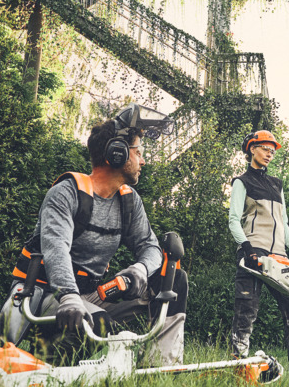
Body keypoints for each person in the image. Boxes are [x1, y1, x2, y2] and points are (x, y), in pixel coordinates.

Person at [37, 109, 183, 366]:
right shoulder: (66, 193)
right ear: (118, 154)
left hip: (93, 295)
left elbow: (150, 247)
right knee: (99, 322)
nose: (143, 161)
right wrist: (69, 296)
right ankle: (44, 363)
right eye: (138, 153)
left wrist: (139, 269)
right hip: (50, 295)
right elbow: (55, 249)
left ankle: (160, 366)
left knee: (174, 279)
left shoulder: (128, 200)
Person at [228, 129, 289, 374]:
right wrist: (247, 248)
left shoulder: (276, 184)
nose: (269, 154)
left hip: (279, 257)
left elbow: (282, 221)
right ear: (252, 149)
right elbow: (233, 220)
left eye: (273, 151)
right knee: (246, 312)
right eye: (265, 148)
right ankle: (238, 365)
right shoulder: (242, 182)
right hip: (253, 253)